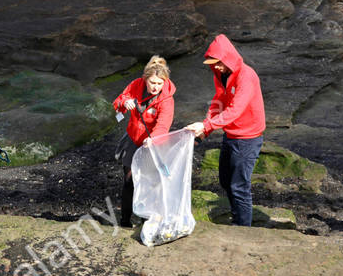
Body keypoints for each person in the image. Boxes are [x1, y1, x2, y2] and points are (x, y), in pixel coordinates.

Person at [185, 34, 265, 227]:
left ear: (228, 58)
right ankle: (237, 213)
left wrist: (206, 126)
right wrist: (206, 127)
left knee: (239, 186)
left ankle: (243, 228)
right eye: (213, 64)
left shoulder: (247, 76)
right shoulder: (221, 75)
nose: (216, 67)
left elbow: (235, 110)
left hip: (248, 138)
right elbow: (219, 101)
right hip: (230, 134)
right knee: (225, 180)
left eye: (219, 63)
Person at [112, 56, 176, 227]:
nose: (155, 87)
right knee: (128, 180)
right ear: (145, 79)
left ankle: (145, 222)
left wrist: (153, 139)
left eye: (159, 83)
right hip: (133, 139)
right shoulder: (135, 85)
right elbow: (117, 103)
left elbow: (163, 124)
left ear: (165, 82)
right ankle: (124, 221)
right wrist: (125, 103)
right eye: (152, 83)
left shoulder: (167, 100)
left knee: (148, 182)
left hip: (152, 143)